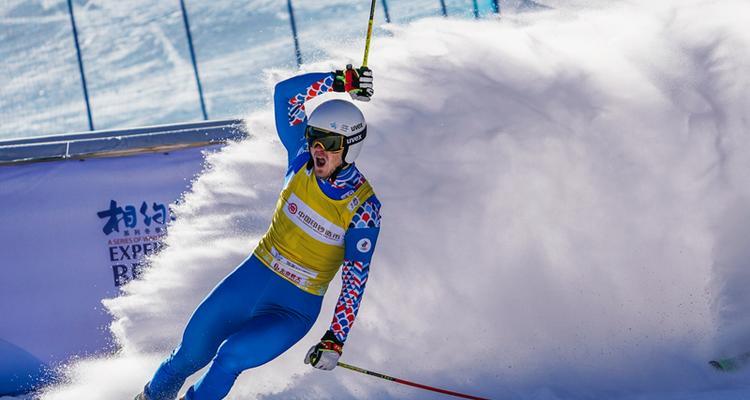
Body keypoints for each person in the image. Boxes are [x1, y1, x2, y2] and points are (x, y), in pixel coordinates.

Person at [135, 65, 380, 400]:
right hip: (252, 279)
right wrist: (341, 81)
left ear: (350, 147)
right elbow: (285, 95)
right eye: (314, 138)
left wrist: (335, 338)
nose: (318, 148)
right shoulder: (300, 159)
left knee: (229, 357)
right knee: (188, 355)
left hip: (292, 309)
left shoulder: (363, 208)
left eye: (330, 142)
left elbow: (355, 279)